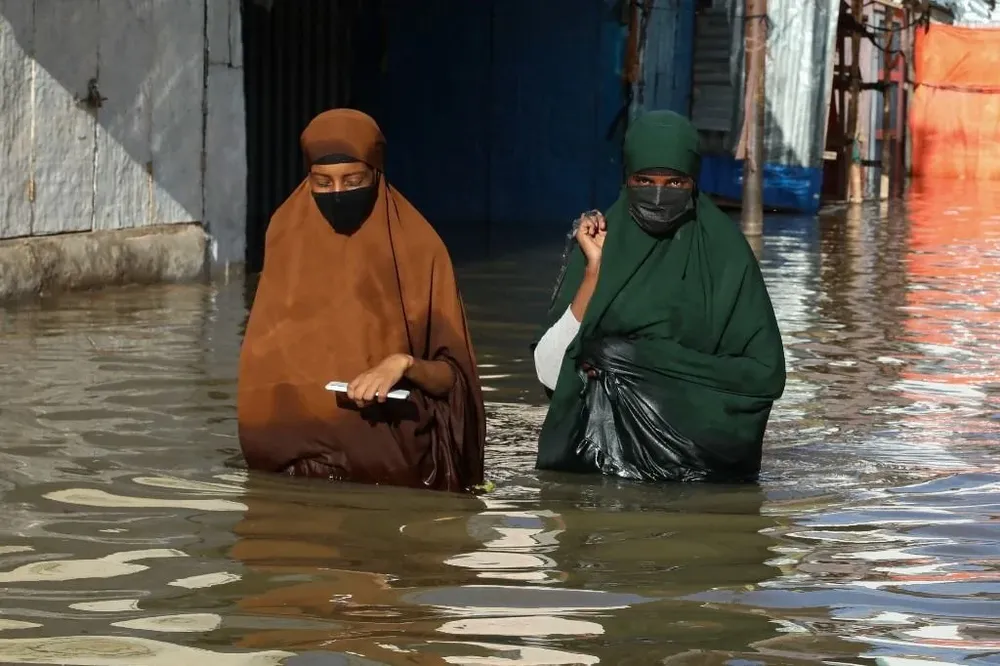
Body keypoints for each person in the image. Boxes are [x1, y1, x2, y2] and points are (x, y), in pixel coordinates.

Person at [238, 109, 485, 493]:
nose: (337, 194)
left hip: (393, 475)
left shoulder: (418, 248)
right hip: (287, 469)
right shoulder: (286, 237)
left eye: (353, 180)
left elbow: (455, 379)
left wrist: (402, 364)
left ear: (376, 173)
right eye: (322, 182)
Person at [532, 110, 786, 483]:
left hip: (698, 468)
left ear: (694, 181)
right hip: (599, 469)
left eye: (675, 183)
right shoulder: (602, 242)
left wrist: (642, 363)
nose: (657, 193)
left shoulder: (725, 255)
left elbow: (764, 376)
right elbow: (550, 373)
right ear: (627, 179)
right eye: (644, 179)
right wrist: (594, 272)